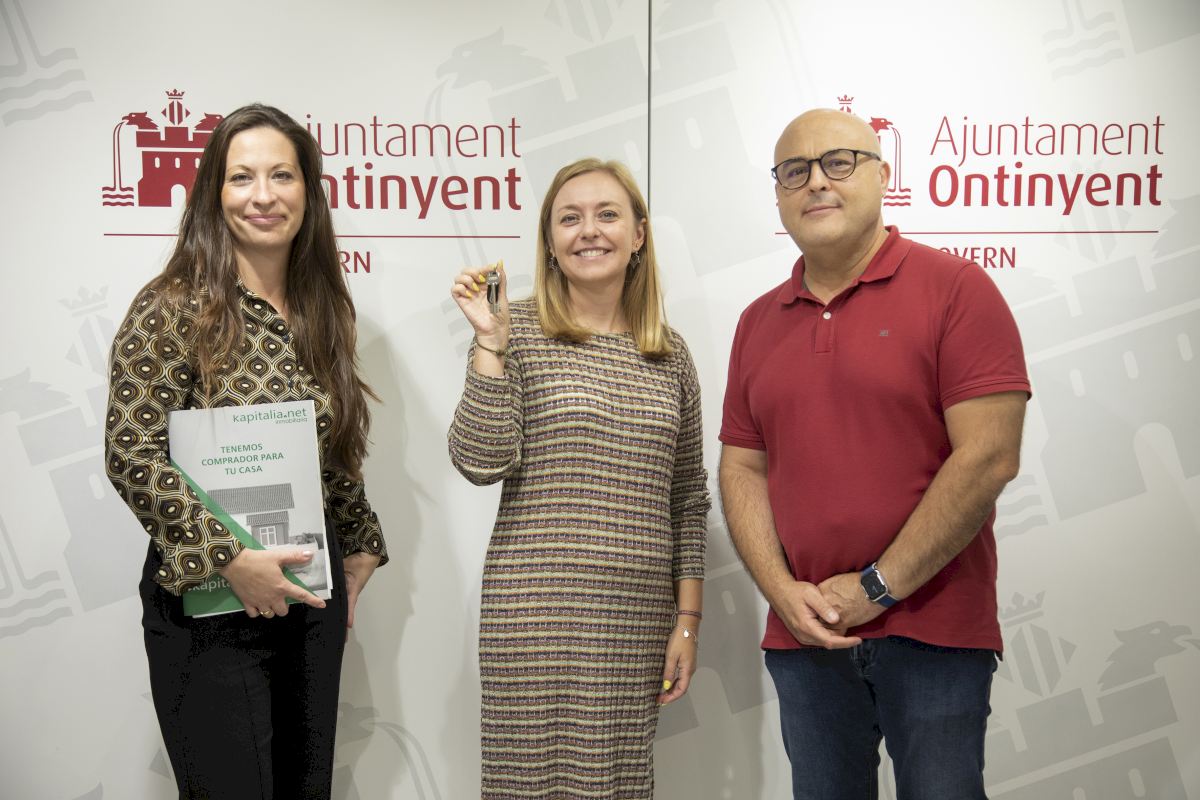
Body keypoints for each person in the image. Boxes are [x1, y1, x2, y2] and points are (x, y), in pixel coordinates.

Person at [719, 109, 1030, 799]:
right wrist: (782, 593)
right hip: (805, 637)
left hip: (934, 632)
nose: (816, 183)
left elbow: (990, 455)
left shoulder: (957, 288)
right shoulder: (757, 321)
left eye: (839, 162)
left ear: (883, 175)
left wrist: (875, 588)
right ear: (778, 194)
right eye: (794, 171)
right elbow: (742, 466)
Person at [105, 103, 387, 799]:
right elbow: (132, 453)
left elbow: (327, 447)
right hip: (207, 598)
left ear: (308, 192)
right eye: (242, 177)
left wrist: (359, 539)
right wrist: (231, 556)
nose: (264, 195)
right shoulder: (171, 306)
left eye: (282, 175)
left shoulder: (324, 307)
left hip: (306, 594)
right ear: (214, 192)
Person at [447, 157, 710, 798]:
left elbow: (687, 498)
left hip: (634, 622)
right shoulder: (515, 331)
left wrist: (687, 622)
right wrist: (490, 344)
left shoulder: (669, 353)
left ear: (638, 234)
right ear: (550, 241)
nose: (589, 230)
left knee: (618, 785)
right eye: (570, 218)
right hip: (534, 617)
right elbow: (479, 461)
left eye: (607, 214)